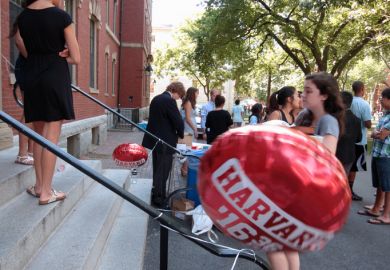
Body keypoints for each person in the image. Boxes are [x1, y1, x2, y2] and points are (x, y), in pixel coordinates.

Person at [269, 72, 343, 270]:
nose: (303, 96)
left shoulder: (328, 121)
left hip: (304, 192)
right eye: (303, 91)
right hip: (291, 188)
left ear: (324, 95)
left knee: (272, 242)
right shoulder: (304, 116)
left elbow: (327, 160)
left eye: (309, 91)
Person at [17, 0, 80, 204]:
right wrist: (65, 54)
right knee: (51, 138)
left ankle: (38, 186)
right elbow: (76, 57)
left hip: (32, 76)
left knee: (37, 135)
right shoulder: (61, 17)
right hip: (54, 76)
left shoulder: (23, 16)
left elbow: (26, 50)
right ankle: (46, 192)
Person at [142, 82, 185, 206]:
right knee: (163, 170)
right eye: (179, 95)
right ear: (175, 90)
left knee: (157, 168)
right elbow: (177, 121)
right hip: (165, 142)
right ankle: (159, 198)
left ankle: (156, 192)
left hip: (155, 140)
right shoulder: (169, 101)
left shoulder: (156, 98)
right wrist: (181, 134)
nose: (178, 98)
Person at [359, 88, 390, 224]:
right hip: (379, 153)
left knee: (387, 186)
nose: (380, 100)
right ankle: (376, 208)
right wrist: (377, 133)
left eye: (383, 98)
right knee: (379, 184)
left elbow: (382, 135)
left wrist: (377, 133)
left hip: (386, 155)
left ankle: (387, 215)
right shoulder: (385, 115)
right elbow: (374, 133)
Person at [348, 81, 372, 201]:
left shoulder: (348, 101)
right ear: (362, 89)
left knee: (347, 164)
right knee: (354, 167)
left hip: (347, 139)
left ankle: (343, 188)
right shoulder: (364, 104)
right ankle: (350, 191)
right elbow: (368, 124)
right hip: (359, 140)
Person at [336, 91, 362, 179]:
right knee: (343, 180)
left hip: (336, 154)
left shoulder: (335, 118)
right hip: (349, 155)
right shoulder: (357, 119)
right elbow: (359, 138)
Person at [180, 87, 199, 176]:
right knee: (187, 148)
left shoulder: (189, 103)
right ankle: (184, 169)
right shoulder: (188, 103)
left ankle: (185, 168)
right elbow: (187, 118)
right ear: (192, 94)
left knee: (188, 148)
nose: (197, 95)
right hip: (188, 128)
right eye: (196, 93)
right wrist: (195, 129)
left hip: (189, 127)